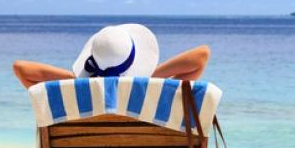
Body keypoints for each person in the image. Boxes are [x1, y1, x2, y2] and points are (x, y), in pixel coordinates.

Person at [12, 23, 210, 89]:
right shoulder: (152, 94)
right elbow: (201, 55)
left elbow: (20, 68)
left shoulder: (76, 97)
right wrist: (149, 77)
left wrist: (74, 80)